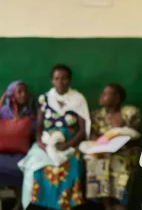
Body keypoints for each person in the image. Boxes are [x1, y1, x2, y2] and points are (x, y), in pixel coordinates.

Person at [20, 64, 90, 209]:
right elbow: (39, 127)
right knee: (38, 166)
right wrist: (42, 144)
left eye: (64, 79)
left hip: (70, 143)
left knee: (72, 166)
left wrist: (68, 144)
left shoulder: (78, 99)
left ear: (70, 80)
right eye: (57, 78)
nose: (60, 82)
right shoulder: (44, 99)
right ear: (52, 80)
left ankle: (65, 204)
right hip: (47, 142)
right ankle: (43, 205)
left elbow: (82, 130)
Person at [85, 83, 140, 210]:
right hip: (103, 152)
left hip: (125, 151)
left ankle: (122, 204)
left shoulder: (129, 112)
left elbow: (134, 134)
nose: (101, 96)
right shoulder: (96, 115)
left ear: (117, 97)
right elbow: (93, 136)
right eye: (102, 93)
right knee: (96, 163)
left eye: (106, 94)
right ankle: (107, 206)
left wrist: (117, 138)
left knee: (121, 164)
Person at [0, 81, 34, 210]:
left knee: (22, 167)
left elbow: (34, 132)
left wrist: (21, 120)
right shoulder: (3, 111)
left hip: (21, 151)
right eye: (19, 92)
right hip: (3, 150)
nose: (23, 94)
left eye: (25, 91)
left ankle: (20, 201)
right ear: (12, 95)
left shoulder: (30, 112)